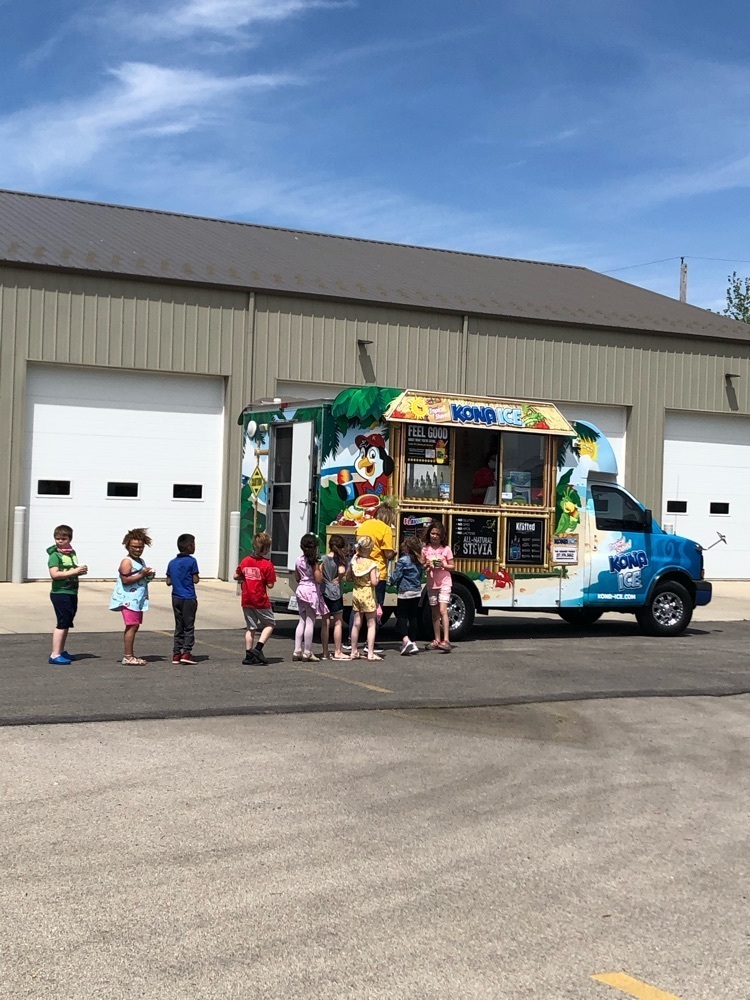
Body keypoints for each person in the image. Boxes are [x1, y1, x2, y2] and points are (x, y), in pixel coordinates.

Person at [346, 500, 396, 652]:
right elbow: (387, 553)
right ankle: (370, 644)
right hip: (376, 572)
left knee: (357, 609)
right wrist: (394, 553)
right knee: (375, 609)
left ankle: (349, 640)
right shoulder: (386, 529)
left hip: (360, 570)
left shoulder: (364, 525)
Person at [109, 527, 154, 666]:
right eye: (134, 547)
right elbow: (125, 580)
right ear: (127, 545)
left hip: (137, 600)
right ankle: (128, 656)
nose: (138, 549)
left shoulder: (140, 561)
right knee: (132, 626)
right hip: (128, 600)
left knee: (135, 626)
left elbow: (141, 579)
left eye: (140, 547)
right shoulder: (126, 561)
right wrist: (142, 574)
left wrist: (148, 576)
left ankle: (130, 655)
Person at [47, 524, 88, 666]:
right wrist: (75, 572)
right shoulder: (55, 555)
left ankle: (61, 650)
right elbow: (55, 574)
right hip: (60, 593)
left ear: (69, 539)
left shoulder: (71, 553)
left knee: (67, 623)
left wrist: (80, 570)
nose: (60, 541)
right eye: (57, 538)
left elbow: (71, 569)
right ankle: (55, 654)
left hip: (71, 591)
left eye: (63, 538)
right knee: (62, 623)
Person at [235, 531, 276, 665]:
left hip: (247, 598)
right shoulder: (267, 564)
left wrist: (245, 577)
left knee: (251, 628)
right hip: (260, 599)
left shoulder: (246, 560)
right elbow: (270, 584)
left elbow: (236, 576)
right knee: (270, 624)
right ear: (264, 548)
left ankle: (248, 655)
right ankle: (258, 648)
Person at [293, 533, 328, 662]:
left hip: (301, 589)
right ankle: (307, 651)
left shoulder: (298, 560)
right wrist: (319, 570)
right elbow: (318, 579)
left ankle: (297, 650)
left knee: (301, 620)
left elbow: (297, 577)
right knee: (310, 621)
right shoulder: (314, 562)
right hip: (311, 591)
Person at [166, 533, 200, 665]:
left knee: (179, 625)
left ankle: (176, 653)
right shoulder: (192, 561)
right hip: (188, 597)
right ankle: (186, 652)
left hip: (176, 597)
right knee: (189, 626)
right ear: (190, 546)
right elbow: (195, 579)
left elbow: (168, 581)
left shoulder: (172, 563)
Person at [421, 520, 454, 652]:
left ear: (442, 536)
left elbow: (452, 567)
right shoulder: (425, 549)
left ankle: (446, 639)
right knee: (434, 613)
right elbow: (422, 567)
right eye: (432, 533)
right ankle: (437, 639)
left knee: (442, 610)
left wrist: (444, 565)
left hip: (445, 582)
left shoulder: (446, 549)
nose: (434, 536)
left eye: (437, 534)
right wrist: (426, 565)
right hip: (431, 583)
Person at [347, 535, 382, 661]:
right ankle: (370, 653)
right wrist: (377, 577)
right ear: (371, 549)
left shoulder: (354, 561)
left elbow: (349, 578)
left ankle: (353, 651)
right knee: (371, 623)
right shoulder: (371, 564)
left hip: (356, 592)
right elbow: (374, 582)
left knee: (356, 623)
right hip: (367, 594)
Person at [390, 535, 423, 656]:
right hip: (416, 591)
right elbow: (420, 575)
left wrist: (390, 581)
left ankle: (405, 639)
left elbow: (397, 575)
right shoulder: (420, 560)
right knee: (413, 616)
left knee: (402, 616)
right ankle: (413, 642)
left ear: (407, 547)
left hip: (404, 591)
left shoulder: (403, 560)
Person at [320, 534, 348, 660]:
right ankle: (337, 651)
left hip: (324, 591)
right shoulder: (339, 560)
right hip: (336, 592)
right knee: (337, 622)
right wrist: (339, 578)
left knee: (325, 623)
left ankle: (325, 652)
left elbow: (319, 572)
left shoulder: (323, 558)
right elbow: (342, 571)